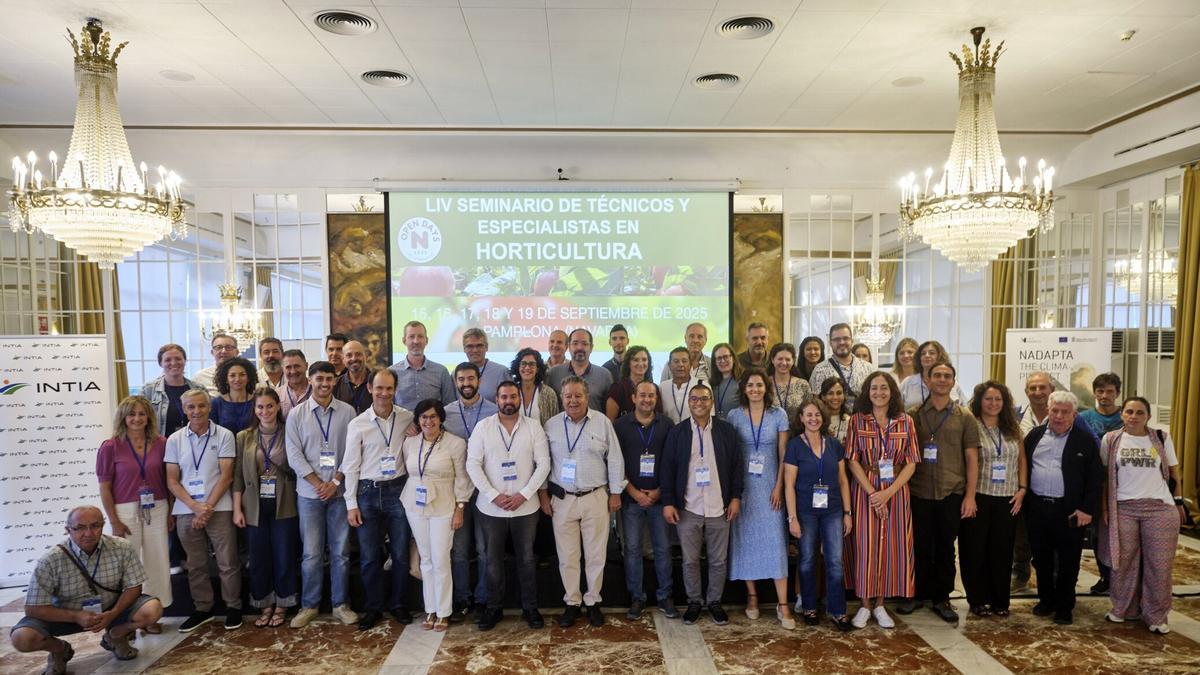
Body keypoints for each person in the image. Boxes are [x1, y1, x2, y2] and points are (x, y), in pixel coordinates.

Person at [9, 506, 164, 672]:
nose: (89, 533)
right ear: (68, 530)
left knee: (152, 610)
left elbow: (134, 587)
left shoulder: (122, 547)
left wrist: (113, 613)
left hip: (110, 610)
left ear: (103, 526)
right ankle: (59, 650)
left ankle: (115, 636)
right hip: (66, 615)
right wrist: (76, 616)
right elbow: (33, 608)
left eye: (95, 526)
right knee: (22, 638)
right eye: (80, 528)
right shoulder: (51, 560)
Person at [538, 377, 624, 628]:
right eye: (568, 396)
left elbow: (615, 459)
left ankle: (593, 601)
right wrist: (543, 494)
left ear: (586, 396)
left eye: (578, 395)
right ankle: (572, 602)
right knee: (567, 556)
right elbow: (543, 463)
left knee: (596, 554)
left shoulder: (602, 422)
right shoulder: (551, 425)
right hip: (562, 499)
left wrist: (616, 492)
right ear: (561, 398)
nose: (573, 400)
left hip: (595, 496)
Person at [467, 381, 553, 631]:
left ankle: (530, 607)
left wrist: (524, 494)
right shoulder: (483, 428)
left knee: (526, 559)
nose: (508, 401)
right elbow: (473, 464)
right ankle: (494, 608)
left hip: (525, 508)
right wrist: (493, 495)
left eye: (513, 396)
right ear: (497, 399)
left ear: (518, 399)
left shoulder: (534, 427)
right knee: (492, 560)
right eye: (503, 396)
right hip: (491, 508)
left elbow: (544, 464)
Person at [900, 361, 979, 623]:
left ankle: (942, 597)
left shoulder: (965, 417)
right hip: (919, 491)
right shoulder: (913, 415)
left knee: (945, 548)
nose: (942, 380)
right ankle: (917, 593)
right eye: (937, 375)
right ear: (928, 381)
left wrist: (970, 496)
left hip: (951, 492)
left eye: (947, 376)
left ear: (953, 382)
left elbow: (971, 459)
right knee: (919, 546)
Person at [1100, 396, 1184, 634]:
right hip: (1124, 508)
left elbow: (1174, 473)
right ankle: (1123, 609)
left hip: (1159, 509)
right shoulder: (1111, 440)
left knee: (1159, 565)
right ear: (1122, 414)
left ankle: (1156, 616)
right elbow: (1105, 478)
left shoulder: (1161, 437)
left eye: (1139, 412)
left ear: (1148, 415)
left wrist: (1178, 501)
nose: (1133, 417)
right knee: (1123, 562)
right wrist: (1105, 508)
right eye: (1129, 412)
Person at [660, 382, 742, 626]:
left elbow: (737, 466)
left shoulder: (727, 431)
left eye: (704, 399)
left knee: (718, 560)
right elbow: (667, 469)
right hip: (689, 507)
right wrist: (668, 502)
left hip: (720, 506)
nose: (699, 403)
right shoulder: (677, 432)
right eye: (694, 399)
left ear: (712, 402)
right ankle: (694, 601)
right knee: (690, 560)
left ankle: (715, 602)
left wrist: (736, 497)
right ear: (689, 403)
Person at [286, 361, 359, 628]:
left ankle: (341, 604)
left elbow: (352, 452)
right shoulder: (296, 414)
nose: (325, 384)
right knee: (311, 553)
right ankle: (310, 605)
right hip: (309, 493)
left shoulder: (348, 412)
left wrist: (336, 481)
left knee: (340, 552)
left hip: (339, 493)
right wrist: (319, 483)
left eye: (329, 379)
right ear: (310, 380)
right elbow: (293, 455)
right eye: (320, 379)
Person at [342, 368, 417, 630]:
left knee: (399, 554)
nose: (384, 393)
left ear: (395, 390)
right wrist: (351, 504)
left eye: (389, 388)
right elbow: (350, 466)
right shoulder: (358, 423)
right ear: (370, 389)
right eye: (379, 388)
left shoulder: (407, 418)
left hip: (398, 492)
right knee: (370, 557)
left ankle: (398, 605)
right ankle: (373, 607)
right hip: (368, 494)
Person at [845, 371, 919, 629]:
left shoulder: (906, 421)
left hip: (896, 492)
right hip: (865, 490)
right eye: (874, 388)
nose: (879, 392)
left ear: (892, 392)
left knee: (891, 547)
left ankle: (880, 603)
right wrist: (873, 493)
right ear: (867, 392)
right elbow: (852, 460)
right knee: (865, 546)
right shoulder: (857, 421)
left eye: (884, 388)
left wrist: (888, 493)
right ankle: (864, 605)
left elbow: (911, 463)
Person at [164, 388, 241, 632]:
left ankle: (233, 607)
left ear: (209, 407)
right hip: (186, 509)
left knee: (228, 561)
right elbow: (172, 480)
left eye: (201, 406)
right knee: (196, 563)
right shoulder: (174, 440)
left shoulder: (224, 435)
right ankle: (203, 608)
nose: (196, 411)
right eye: (191, 407)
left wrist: (206, 507)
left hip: (220, 507)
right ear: (184, 409)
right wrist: (195, 507)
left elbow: (227, 475)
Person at [1024, 390, 1102, 625]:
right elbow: (1023, 468)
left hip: (1069, 511)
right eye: (1054, 410)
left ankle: (1065, 605)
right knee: (1041, 558)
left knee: (1069, 561)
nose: (1058, 416)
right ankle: (1046, 600)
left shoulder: (1085, 441)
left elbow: (1094, 479)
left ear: (1074, 415)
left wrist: (1087, 509)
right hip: (1037, 508)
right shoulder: (1034, 436)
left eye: (1064, 412)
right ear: (1048, 411)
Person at [96, 396, 172, 630]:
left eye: (141, 413)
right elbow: (104, 487)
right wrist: (114, 520)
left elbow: (170, 480)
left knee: (157, 560)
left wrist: (171, 512)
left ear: (149, 416)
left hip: (157, 506)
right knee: (126, 565)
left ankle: (153, 614)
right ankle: (125, 615)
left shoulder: (162, 443)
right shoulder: (110, 446)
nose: (137, 419)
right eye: (132, 414)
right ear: (123, 417)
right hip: (124, 510)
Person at [727, 369, 794, 628]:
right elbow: (731, 455)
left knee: (775, 542)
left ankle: (783, 603)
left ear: (766, 388)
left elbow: (784, 453)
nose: (755, 389)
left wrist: (778, 486)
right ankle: (752, 596)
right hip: (743, 487)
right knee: (745, 542)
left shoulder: (779, 415)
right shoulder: (734, 416)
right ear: (743, 388)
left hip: (770, 486)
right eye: (750, 385)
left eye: (759, 385)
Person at [401, 399, 471, 632]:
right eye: (423, 417)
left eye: (432, 417)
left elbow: (462, 477)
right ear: (417, 420)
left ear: (441, 418)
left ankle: (444, 611)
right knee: (426, 558)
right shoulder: (410, 443)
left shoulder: (455, 443)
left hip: (444, 506)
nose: (428, 421)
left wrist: (460, 507)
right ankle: (430, 608)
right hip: (415, 504)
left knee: (441, 559)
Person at [232, 388, 299, 628]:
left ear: (278, 407)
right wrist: (237, 509)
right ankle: (264, 604)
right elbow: (238, 476)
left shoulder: (289, 432)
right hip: (254, 505)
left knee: (283, 556)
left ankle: (283, 603)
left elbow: (298, 467)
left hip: (284, 503)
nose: (265, 411)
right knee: (259, 557)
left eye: (269, 406)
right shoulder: (244, 437)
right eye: (260, 407)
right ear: (254, 409)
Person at [784, 400, 853, 631]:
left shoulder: (833, 445)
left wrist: (847, 513)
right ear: (801, 419)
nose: (813, 418)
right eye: (808, 415)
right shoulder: (794, 446)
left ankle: (838, 611)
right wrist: (792, 518)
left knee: (835, 562)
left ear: (823, 418)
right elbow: (788, 485)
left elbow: (843, 481)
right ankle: (809, 607)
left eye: (817, 414)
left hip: (833, 510)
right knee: (807, 560)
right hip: (805, 512)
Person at [959, 381, 1026, 618]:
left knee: (1002, 552)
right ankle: (977, 600)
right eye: (988, 399)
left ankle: (1000, 601)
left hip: (1008, 498)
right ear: (980, 401)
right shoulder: (971, 425)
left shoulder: (1012, 427)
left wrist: (1022, 488)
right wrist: (969, 496)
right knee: (975, 551)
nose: (993, 403)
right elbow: (968, 462)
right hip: (978, 496)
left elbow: (1021, 460)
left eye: (998, 399)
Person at [614, 380, 677, 619]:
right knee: (632, 549)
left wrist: (660, 491)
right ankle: (637, 598)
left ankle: (665, 596)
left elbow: (672, 462)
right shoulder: (620, 425)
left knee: (662, 549)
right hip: (632, 499)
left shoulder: (666, 425)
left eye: (651, 396)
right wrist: (634, 492)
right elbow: (615, 464)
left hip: (659, 498)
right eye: (642, 395)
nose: (646, 400)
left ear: (656, 399)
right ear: (633, 398)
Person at [442, 363, 498, 623]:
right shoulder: (445, 414)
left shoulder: (494, 411)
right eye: (461, 379)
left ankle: (484, 599)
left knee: (486, 549)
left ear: (479, 380)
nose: (466, 383)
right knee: (461, 550)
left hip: (487, 490)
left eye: (471, 378)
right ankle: (462, 599)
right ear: (456, 381)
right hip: (459, 492)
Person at [1013, 370, 1053, 591]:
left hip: (1052, 487)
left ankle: (1052, 579)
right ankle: (1020, 575)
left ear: (1051, 390)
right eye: (1032, 388)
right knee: (1020, 535)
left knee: (1050, 536)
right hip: (1021, 485)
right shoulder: (1015, 416)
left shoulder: (1065, 414)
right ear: (1026, 392)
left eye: (1042, 388)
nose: (1038, 392)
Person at [390, 320, 457, 412]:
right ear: (404, 340)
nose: (416, 341)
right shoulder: (391, 373)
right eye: (411, 337)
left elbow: (450, 406)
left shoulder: (441, 371)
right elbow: (389, 407)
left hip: (432, 425)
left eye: (420, 336)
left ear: (427, 340)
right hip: (402, 426)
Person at [545, 328, 614, 412]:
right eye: (575, 343)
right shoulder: (553, 374)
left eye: (584, 344)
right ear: (569, 347)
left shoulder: (604, 375)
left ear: (591, 347)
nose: (579, 347)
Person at [140, 343, 199, 437]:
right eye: (168, 360)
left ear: (184, 361)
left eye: (178, 359)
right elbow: (139, 420)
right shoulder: (148, 390)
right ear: (160, 363)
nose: (173, 363)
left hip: (194, 445)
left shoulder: (198, 389)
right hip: (160, 446)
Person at [808, 324, 872, 409]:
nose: (842, 342)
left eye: (845, 338)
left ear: (852, 341)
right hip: (832, 421)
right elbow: (815, 403)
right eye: (837, 339)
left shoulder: (868, 368)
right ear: (830, 343)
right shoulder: (819, 370)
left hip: (862, 420)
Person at [899, 340, 966, 409]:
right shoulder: (908, 383)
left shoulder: (951, 382)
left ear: (939, 357)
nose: (927, 355)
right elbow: (896, 409)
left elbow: (964, 408)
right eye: (923, 353)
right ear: (919, 359)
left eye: (932, 353)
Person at [606, 345, 660, 421]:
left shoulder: (654, 388)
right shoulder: (617, 389)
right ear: (628, 363)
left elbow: (659, 418)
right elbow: (609, 422)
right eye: (636, 360)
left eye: (644, 360)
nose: (641, 364)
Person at [510, 347, 560, 425]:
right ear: (518, 367)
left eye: (532, 364)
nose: (527, 368)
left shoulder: (548, 394)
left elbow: (554, 424)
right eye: (523, 364)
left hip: (541, 437)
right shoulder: (510, 392)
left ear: (538, 369)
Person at [210, 356, 258, 435]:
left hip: (252, 446)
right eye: (232, 375)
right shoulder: (216, 403)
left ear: (248, 377)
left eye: (242, 375)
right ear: (226, 379)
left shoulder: (257, 401)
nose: (237, 379)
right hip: (224, 446)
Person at [462, 328, 512, 403]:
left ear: (486, 347)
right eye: (470, 346)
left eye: (479, 346)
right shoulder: (456, 374)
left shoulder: (501, 372)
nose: (475, 350)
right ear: (464, 349)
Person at [767, 343, 811, 423]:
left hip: (797, 432)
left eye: (788, 359)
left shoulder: (802, 384)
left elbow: (809, 411)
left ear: (793, 361)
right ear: (772, 360)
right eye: (780, 359)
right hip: (770, 432)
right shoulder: (764, 383)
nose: (784, 363)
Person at [660, 346, 700, 425]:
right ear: (669, 365)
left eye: (684, 361)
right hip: (669, 434)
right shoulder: (662, 387)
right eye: (676, 361)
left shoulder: (701, 386)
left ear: (691, 364)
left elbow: (709, 417)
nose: (680, 365)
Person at [334, 340, 372, 414]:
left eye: (358, 354)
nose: (354, 358)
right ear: (343, 360)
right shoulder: (335, 385)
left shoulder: (377, 382)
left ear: (366, 357)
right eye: (349, 355)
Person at [1081, 372, 1124, 438]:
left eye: (1109, 391)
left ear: (1117, 393)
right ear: (1094, 393)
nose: (1104, 396)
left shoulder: (1127, 416)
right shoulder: (1083, 418)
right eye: (1100, 391)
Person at [710, 342, 742, 420]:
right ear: (715, 362)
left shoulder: (743, 381)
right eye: (719, 358)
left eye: (726, 357)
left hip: (737, 428)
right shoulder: (711, 384)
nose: (723, 361)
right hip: (718, 428)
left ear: (733, 358)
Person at [277, 349, 311, 419]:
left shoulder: (318, 391)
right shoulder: (277, 394)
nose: (293, 371)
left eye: (297, 366)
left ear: (306, 366)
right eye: (288, 367)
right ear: (283, 369)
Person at [816, 377, 851, 444]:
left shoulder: (850, 421)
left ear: (844, 395)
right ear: (823, 396)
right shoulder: (816, 420)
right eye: (830, 393)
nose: (835, 397)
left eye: (839, 393)